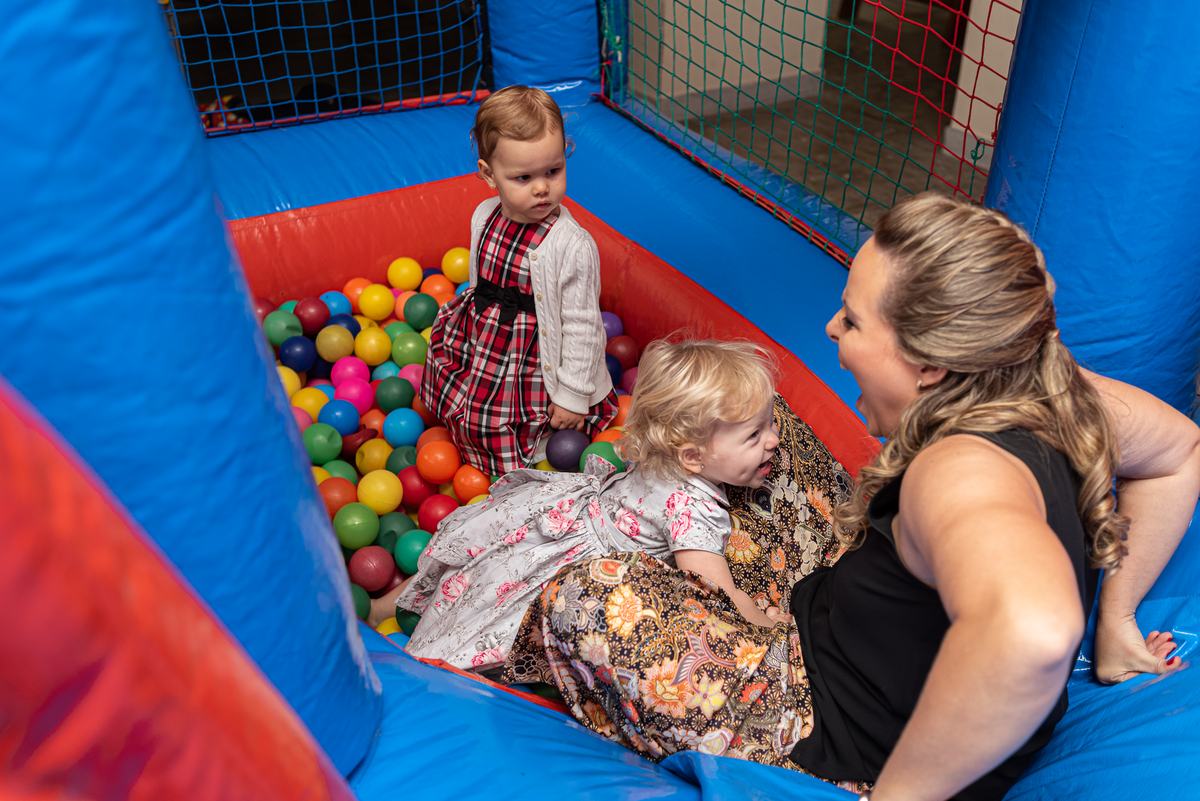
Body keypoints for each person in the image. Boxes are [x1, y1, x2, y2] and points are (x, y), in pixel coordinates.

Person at [507, 193, 1200, 800]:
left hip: (829, 729)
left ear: (930, 365)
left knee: (585, 596)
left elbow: (1034, 629)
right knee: (760, 427)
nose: (832, 329)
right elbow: (1179, 450)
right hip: (852, 624)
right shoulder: (1049, 385)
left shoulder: (958, 471)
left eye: (854, 319)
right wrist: (1115, 620)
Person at [375, 339, 787, 674]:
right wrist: (769, 626)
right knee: (497, 623)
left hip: (555, 522)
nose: (773, 439)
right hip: (575, 573)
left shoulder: (663, 455)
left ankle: (383, 609)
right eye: (754, 435)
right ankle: (427, 670)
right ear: (693, 457)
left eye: (770, 422)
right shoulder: (695, 507)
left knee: (476, 574)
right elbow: (716, 593)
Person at [420, 85, 617, 475]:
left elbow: (583, 327)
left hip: (534, 355)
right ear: (488, 174)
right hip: (486, 337)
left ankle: (525, 457)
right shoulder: (485, 215)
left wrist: (572, 397)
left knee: (502, 417)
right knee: (461, 387)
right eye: (523, 177)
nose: (542, 188)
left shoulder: (572, 245)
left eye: (553, 171)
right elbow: (480, 281)